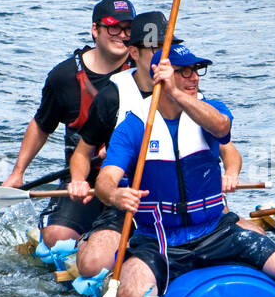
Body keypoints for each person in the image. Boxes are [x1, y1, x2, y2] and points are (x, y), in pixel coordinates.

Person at [94, 45, 275, 297]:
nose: (194, 77)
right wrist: (115, 194)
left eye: (196, 70)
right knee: (130, 296)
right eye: (184, 71)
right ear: (160, 75)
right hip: (159, 239)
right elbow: (105, 180)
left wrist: (176, 92)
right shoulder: (133, 126)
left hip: (215, 230)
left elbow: (222, 128)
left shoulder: (209, 110)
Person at [70, 14, 244, 279]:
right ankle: (101, 247)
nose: (164, 55)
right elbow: (83, 152)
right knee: (94, 263)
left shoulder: (192, 96)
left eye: (168, 47)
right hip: (133, 202)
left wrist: (231, 173)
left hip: (191, 200)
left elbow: (227, 147)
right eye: (155, 48)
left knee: (251, 232)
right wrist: (78, 180)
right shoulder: (112, 96)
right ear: (134, 52)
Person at [4, 0, 136, 248]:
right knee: (56, 238)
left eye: (128, 29)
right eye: (113, 27)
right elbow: (42, 125)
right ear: (95, 30)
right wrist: (17, 173)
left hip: (134, 181)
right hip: (81, 182)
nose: (122, 35)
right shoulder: (63, 77)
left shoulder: (143, 72)